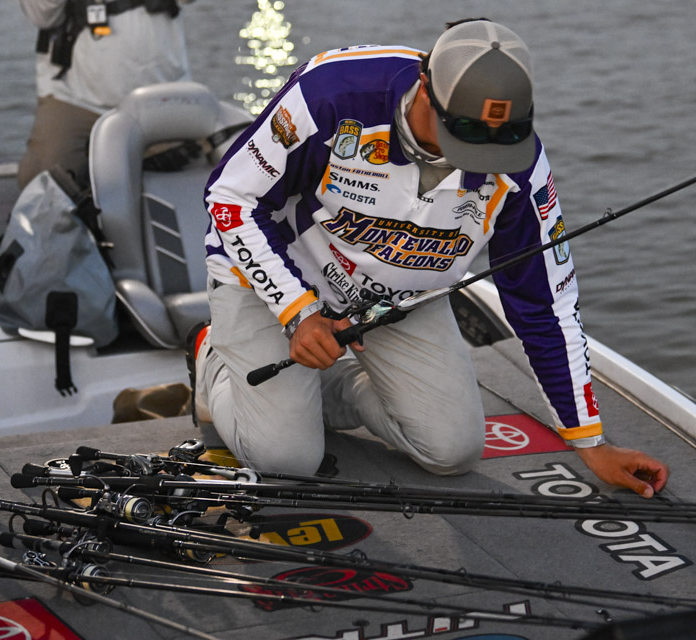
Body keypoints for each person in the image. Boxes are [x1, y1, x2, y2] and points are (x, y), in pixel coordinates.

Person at [192, 19, 670, 497]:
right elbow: (231, 198)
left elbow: (547, 304)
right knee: (287, 461)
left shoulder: (519, 163)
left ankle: (322, 391)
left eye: (500, 138)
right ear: (425, 87)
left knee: (452, 451)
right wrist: (298, 311)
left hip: (397, 299)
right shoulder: (332, 93)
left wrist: (591, 443)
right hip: (276, 275)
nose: (478, 157)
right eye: (464, 132)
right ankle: (212, 358)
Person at [17, 0, 193, 188]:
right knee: (43, 182)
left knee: (188, 180)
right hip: (75, 96)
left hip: (159, 94)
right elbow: (41, 17)